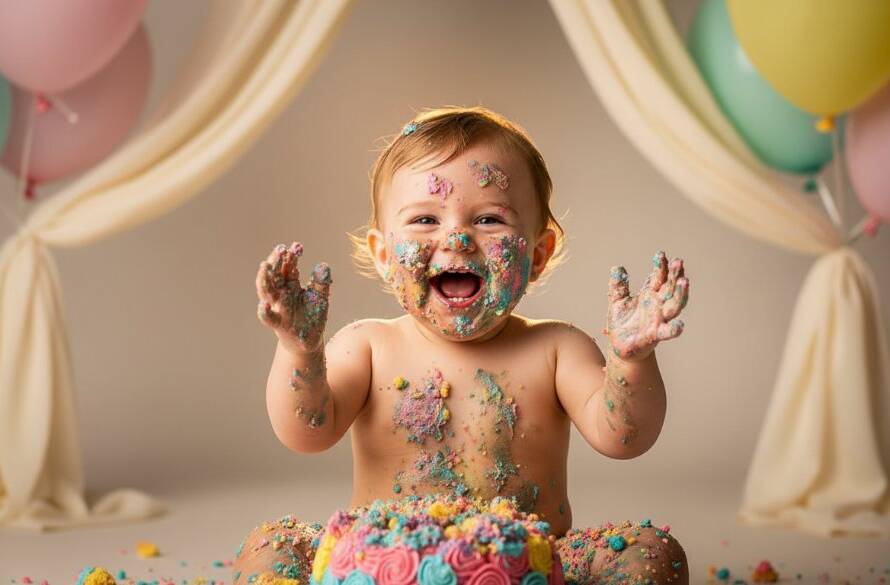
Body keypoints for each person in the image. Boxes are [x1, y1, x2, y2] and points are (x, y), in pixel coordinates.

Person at [236, 106, 690, 585]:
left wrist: (630, 360)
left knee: (651, 549)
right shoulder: (367, 346)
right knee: (272, 544)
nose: (456, 237)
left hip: (525, 566)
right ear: (385, 255)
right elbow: (305, 433)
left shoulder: (557, 349)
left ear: (538, 254)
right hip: (379, 566)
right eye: (426, 219)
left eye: (490, 219)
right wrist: (300, 352)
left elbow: (625, 439)